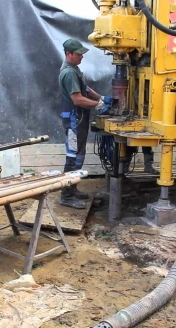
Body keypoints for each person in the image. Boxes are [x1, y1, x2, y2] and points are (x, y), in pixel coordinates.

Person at [58, 38, 112, 209]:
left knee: (78, 156)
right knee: (73, 157)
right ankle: (66, 196)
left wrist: (101, 97)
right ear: (69, 53)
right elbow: (78, 99)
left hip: (78, 118)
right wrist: (99, 105)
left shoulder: (74, 69)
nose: (82, 56)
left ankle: (72, 189)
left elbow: (85, 89)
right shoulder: (69, 73)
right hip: (74, 119)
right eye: (79, 54)